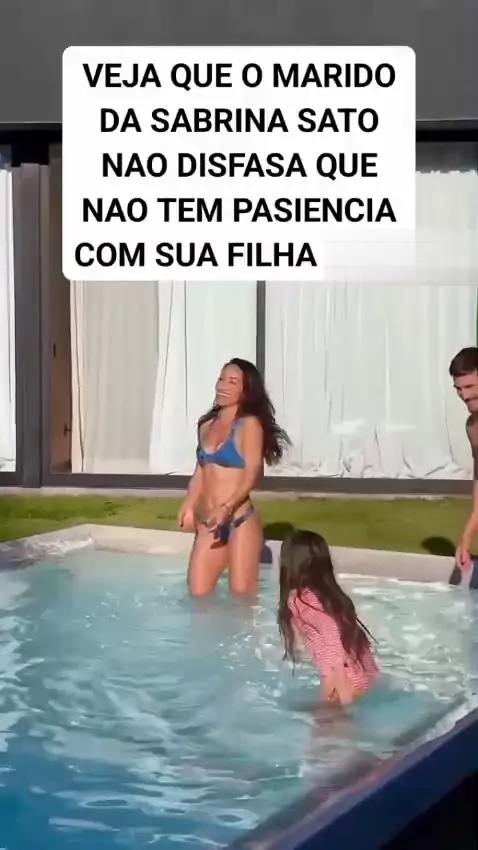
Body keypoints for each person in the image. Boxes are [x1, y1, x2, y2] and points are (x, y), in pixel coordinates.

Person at [178, 358, 290, 598]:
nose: (222, 386)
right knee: (197, 596)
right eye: (221, 379)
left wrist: (227, 507)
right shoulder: (206, 425)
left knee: (241, 599)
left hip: (239, 521)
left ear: (245, 390)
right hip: (210, 523)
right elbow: (201, 471)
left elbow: (252, 474)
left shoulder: (249, 426)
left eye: (232, 382)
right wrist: (188, 505)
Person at [277, 530, 379, 706]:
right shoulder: (329, 597)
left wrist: (339, 679)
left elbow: (329, 628)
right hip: (360, 678)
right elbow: (357, 642)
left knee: (323, 723)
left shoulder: (299, 599)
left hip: (339, 681)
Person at [449, 346, 478, 571]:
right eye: (459, 388)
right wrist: (466, 539)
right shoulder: (473, 427)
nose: (464, 395)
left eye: (470, 387)